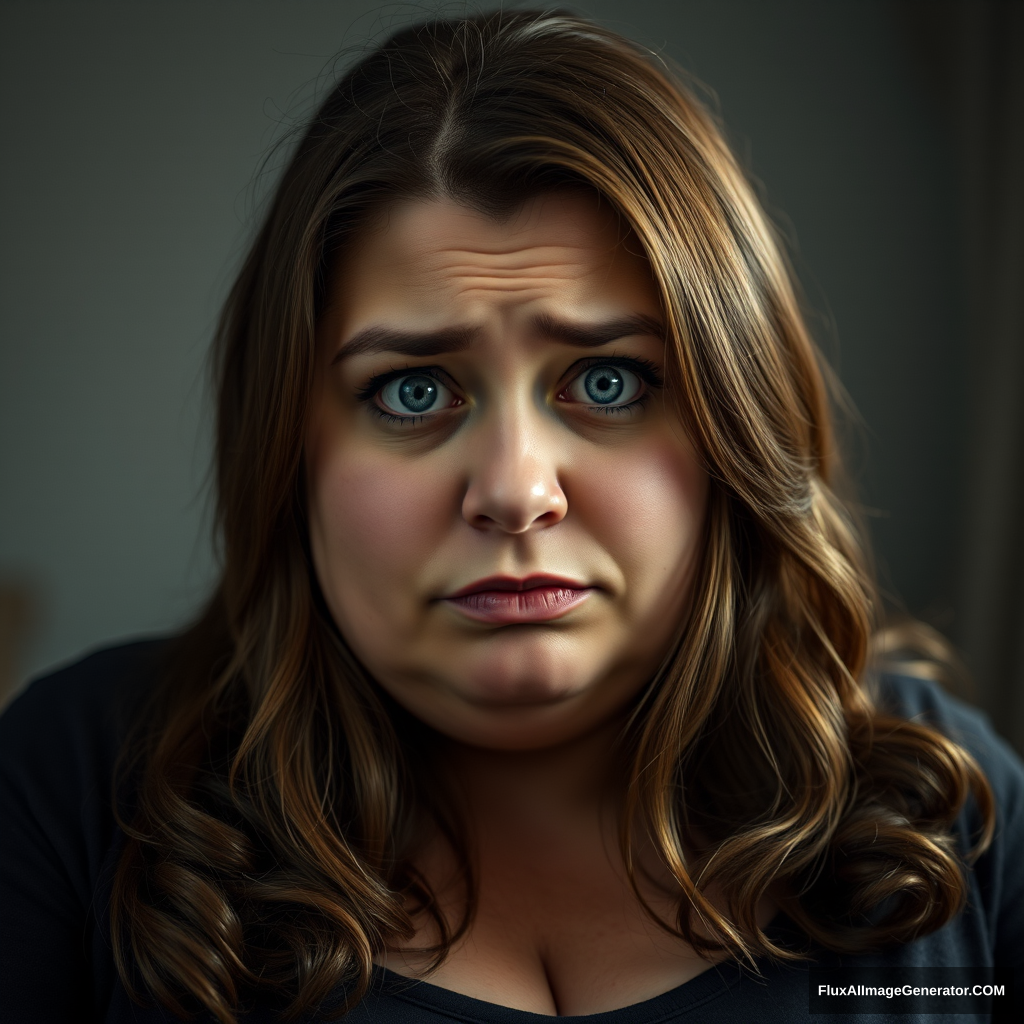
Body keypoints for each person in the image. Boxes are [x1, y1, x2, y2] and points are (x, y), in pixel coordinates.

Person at [1, 9, 1021, 1024]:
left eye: (610, 381)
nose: (516, 489)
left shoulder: (944, 804)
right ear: (289, 446)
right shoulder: (81, 787)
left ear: (733, 426)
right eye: (411, 391)